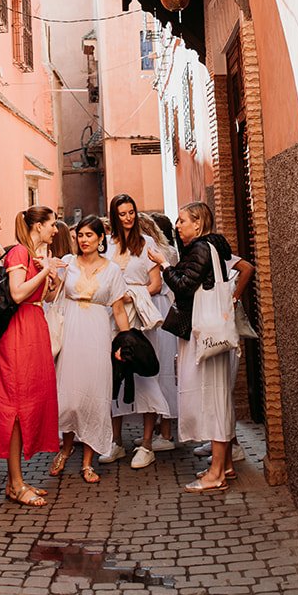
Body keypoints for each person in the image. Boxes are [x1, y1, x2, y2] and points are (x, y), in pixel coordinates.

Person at [165, 202, 254, 492]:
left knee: (213, 400)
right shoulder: (214, 247)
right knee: (218, 398)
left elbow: (183, 285)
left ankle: (216, 474)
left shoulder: (201, 249)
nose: (177, 226)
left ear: (198, 223)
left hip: (205, 335)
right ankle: (224, 465)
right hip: (213, 333)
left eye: (182, 221)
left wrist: (164, 266)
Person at [0, 205, 61, 507]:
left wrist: (52, 280)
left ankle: (17, 481)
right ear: (38, 226)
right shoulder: (18, 253)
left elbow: (44, 297)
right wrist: (44, 272)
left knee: (31, 401)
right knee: (15, 405)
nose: (55, 230)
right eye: (52, 224)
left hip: (34, 328)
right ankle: (14, 483)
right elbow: (16, 293)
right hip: (18, 333)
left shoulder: (35, 256)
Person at [49, 216, 130, 483]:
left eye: (89, 235)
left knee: (94, 398)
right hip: (71, 332)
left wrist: (126, 341)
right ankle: (65, 448)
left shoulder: (112, 270)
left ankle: (87, 462)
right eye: (80, 235)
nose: (83, 240)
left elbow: (118, 309)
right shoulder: (67, 263)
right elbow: (51, 296)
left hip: (97, 332)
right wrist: (50, 277)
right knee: (69, 398)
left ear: (100, 238)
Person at [101, 193, 170, 469]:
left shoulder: (147, 243)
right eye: (122, 214)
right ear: (114, 217)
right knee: (114, 374)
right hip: (112, 318)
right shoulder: (107, 246)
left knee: (145, 375)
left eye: (131, 212)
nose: (128, 218)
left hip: (141, 317)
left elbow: (156, 284)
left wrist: (133, 295)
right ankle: (116, 441)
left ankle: (147, 444)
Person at [139, 210, 180, 453]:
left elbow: (155, 285)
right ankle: (159, 428)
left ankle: (165, 433)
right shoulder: (170, 251)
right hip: (162, 307)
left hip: (157, 308)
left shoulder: (155, 253)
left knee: (161, 370)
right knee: (159, 369)